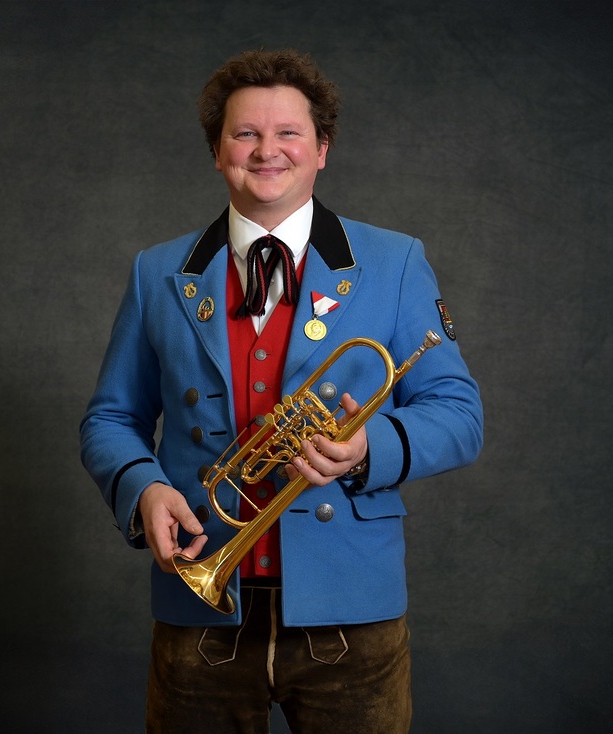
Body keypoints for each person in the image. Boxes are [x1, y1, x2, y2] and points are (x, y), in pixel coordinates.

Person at [80, 49, 483, 733]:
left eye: (289, 133)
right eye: (245, 134)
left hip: (351, 612)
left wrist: (366, 448)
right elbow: (111, 418)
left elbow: (460, 414)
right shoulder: (158, 273)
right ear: (217, 152)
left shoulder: (395, 262)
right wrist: (143, 489)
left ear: (322, 149)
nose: (268, 151)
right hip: (199, 609)